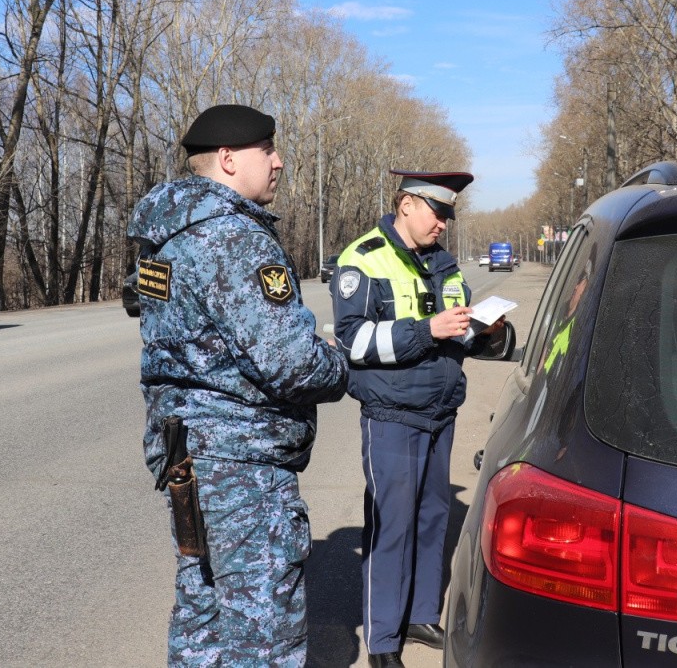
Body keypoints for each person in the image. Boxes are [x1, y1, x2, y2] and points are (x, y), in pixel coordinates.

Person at [128, 103, 349, 667]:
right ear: (227, 159)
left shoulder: (166, 237)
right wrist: (338, 362)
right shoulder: (234, 238)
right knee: (262, 636)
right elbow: (291, 363)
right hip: (242, 462)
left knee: (202, 617)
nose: (278, 162)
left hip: (187, 456)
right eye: (267, 150)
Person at [331, 169, 506, 667]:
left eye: (450, 214)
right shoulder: (362, 259)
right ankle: (383, 641)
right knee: (392, 525)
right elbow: (353, 342)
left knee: (433, 517)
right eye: (439, 212)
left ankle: (421, 614)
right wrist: (427, 329)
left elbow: (460, 330)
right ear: (406, 204)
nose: (445, 224)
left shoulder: (445, 265)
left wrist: (486, 333)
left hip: (439, 410)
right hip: (391, 413)